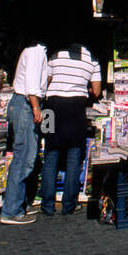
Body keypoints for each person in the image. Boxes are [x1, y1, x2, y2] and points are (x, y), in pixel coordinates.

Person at [39, 41, 101, 216]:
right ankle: (69, 205)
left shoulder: (55, 55)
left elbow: (46, 82)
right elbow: (96, 91)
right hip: (75, 109)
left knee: (50, 154)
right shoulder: (93, 60)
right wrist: (84, 87)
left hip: (50, 108)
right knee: (75, 156)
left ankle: (47, 205)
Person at [0, 37, 47, 225]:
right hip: (26, 106)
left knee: (27, 155)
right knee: (24, 158)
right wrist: (36, 107)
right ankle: (10, 210)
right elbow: (32, 85)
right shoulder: (36, 51)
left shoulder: (33, 50)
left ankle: (20, 204)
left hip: (23, 105)